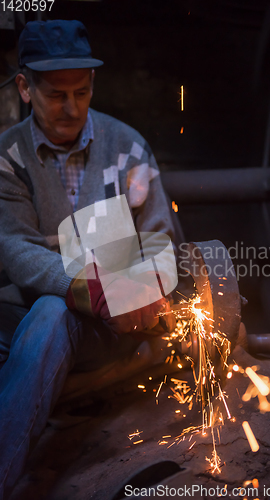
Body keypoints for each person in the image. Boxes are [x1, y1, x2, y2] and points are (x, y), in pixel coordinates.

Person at [0, 19, 176, 498]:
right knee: (52, 310)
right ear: (25, 87)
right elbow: (14, 249)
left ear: (93, 83)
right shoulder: (7, 156)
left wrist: (141, 291)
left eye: (81, 91)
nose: (71, 107)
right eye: (57, 95)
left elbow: (161, 241)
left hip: (108, 331)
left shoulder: (128, 148)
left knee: (58, 312)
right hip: (23, 322)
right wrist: (88, 288)